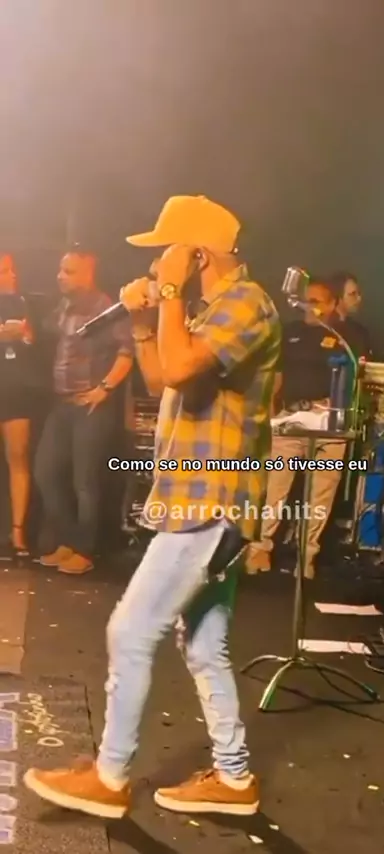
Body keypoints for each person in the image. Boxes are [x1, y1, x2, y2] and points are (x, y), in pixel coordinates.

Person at [24, 195, 281, 818]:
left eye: (167, 251)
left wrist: (166, 293)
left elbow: (184, 367)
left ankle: (110, 776)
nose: (158, 263)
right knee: (204, 645)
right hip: (195, 496)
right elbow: (161, 376)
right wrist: (144, 321)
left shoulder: (247, 303)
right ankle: (234, 778)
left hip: (212, 496)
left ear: (197, 255)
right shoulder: (206, 310)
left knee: (131, 630)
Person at [245, 277, 369, 579]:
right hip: (290, 419)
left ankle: (306, 557)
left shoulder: (347, 335)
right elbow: (275, 376)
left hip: (328, 422)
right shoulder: (289, 332)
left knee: (320, 494)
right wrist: (270, 415)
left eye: (316, 302)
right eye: (306, 300)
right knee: (274, 490)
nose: (308, 307)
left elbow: (356, 378)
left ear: (332, 304)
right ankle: (260, 550)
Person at [34, 250, 133, 574]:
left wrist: (104, 388)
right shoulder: (63, 307)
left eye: (69, 271)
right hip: (63, 403)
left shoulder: (106, 309)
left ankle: (85, 550)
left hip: (90, 405)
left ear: (88, 273)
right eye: (61, 270)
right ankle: (69, 540)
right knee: (46, 473)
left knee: (85, 481)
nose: (60, 276)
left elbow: (126, 352)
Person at [0, 254, 37, 558]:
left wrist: (23, 336)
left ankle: (18, 532)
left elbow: (33, 342)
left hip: (15, 389)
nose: (11, 276)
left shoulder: (21, 302)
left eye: (12, 270)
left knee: (18, 457)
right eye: (3, 271)